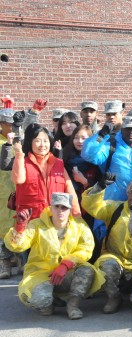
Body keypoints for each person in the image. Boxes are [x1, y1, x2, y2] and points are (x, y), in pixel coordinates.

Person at [4, 193, 102, 319]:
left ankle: (73, 305)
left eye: (64, 208)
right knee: (42, 303)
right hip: (40, 275)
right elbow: (17, 246)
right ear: (51, 208)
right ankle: (49, 302)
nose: (60, 211)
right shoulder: (36, 225)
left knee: (87, 270)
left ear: (70, 210)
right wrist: (19, 227)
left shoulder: (80, 226)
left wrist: (67, 264)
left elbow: (86, 248)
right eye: (57, 206)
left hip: (66, 273)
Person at [82, 174, 132, 314]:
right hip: (114, 258)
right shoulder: (115, 209)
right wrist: (100, 187)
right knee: (107, 266)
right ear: (128, 192)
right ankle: (114, 297)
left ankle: (131, 292)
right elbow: (91, 206)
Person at [82, 115, 132, 201]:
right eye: (128, 129)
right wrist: (101, 135)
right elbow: (88, 155)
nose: (131, 132)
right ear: (121, 130)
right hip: (112, 203)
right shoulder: (110, 147)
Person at [12, 123, 80, 219]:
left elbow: (70, 191)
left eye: (45, 141)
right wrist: (19, 155)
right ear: (30, 143)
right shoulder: (23, 163)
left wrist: (76, 214)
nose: (42, 145)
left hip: (55, 220)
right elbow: (18, 180)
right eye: (38, 141)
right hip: (31, 222)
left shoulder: (58, 163)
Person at [0, 110, 16, 278]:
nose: (11, 126)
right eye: (8, 123)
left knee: (19, 224)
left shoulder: (20, 138)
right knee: (3, 227)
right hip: (2, 191)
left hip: (18, 188)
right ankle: (4, 263)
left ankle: (19, 260)